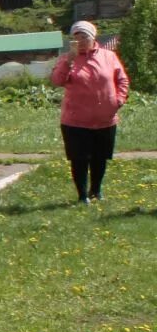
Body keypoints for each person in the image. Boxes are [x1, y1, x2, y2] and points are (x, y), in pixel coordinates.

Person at [50, 20, 130, 204]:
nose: (80, 41)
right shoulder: (67, 58)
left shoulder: (108, 56)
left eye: (84, 36)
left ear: (93, 37)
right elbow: (57, 81)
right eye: (76, 38)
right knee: (79, 158)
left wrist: (118, 100)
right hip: (75, 121)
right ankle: (82, 196)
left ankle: (96, 191)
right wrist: (68, 61)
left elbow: (122, 80)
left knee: (100, 157)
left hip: (105, 118)